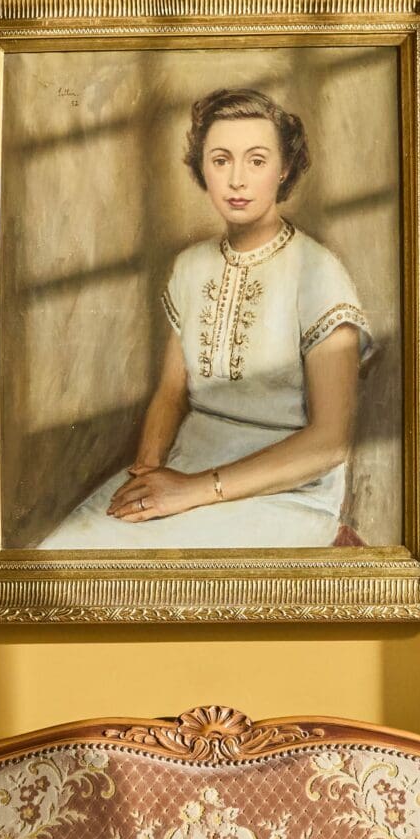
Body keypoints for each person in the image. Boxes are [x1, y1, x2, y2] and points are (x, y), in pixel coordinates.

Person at [39, 86, 373, 549]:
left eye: (256, 161)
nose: (237, 179)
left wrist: (192, 491)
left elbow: (330, 441)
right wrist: (149, 471)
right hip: (189, 459)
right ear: (202, 169)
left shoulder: (320, 272)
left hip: (285, 488)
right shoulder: (190, 267)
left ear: (285, 169)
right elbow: (172, 393)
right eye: (221, 160)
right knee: (65, 553)